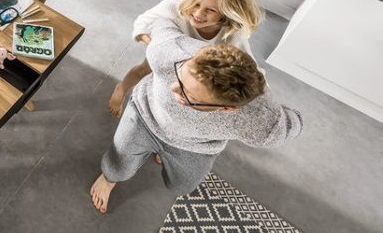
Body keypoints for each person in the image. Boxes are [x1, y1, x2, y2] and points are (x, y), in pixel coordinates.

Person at [90, 18, 302, 214]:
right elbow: (161, 19)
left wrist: (270, 106)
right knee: (117, 167)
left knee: (181, 187)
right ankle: (109, 179)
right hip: (144, 116)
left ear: (227, 109)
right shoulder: (169, 50)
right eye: (180, 76)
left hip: (195, 146)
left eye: (188, 95)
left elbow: (293, 124)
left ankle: (159, 154)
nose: (173, 88)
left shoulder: (260, 120)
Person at [108, 0, 262, 117]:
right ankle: (121, 89)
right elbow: (143, 23)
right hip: (166, 49)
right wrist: (157, 45)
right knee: (143, 69)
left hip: (197, 66)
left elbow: (249, 67)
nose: (198, 14)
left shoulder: (232, 34)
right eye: (196, 4)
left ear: (225, 14)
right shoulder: (174, 7)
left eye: (210, 10)